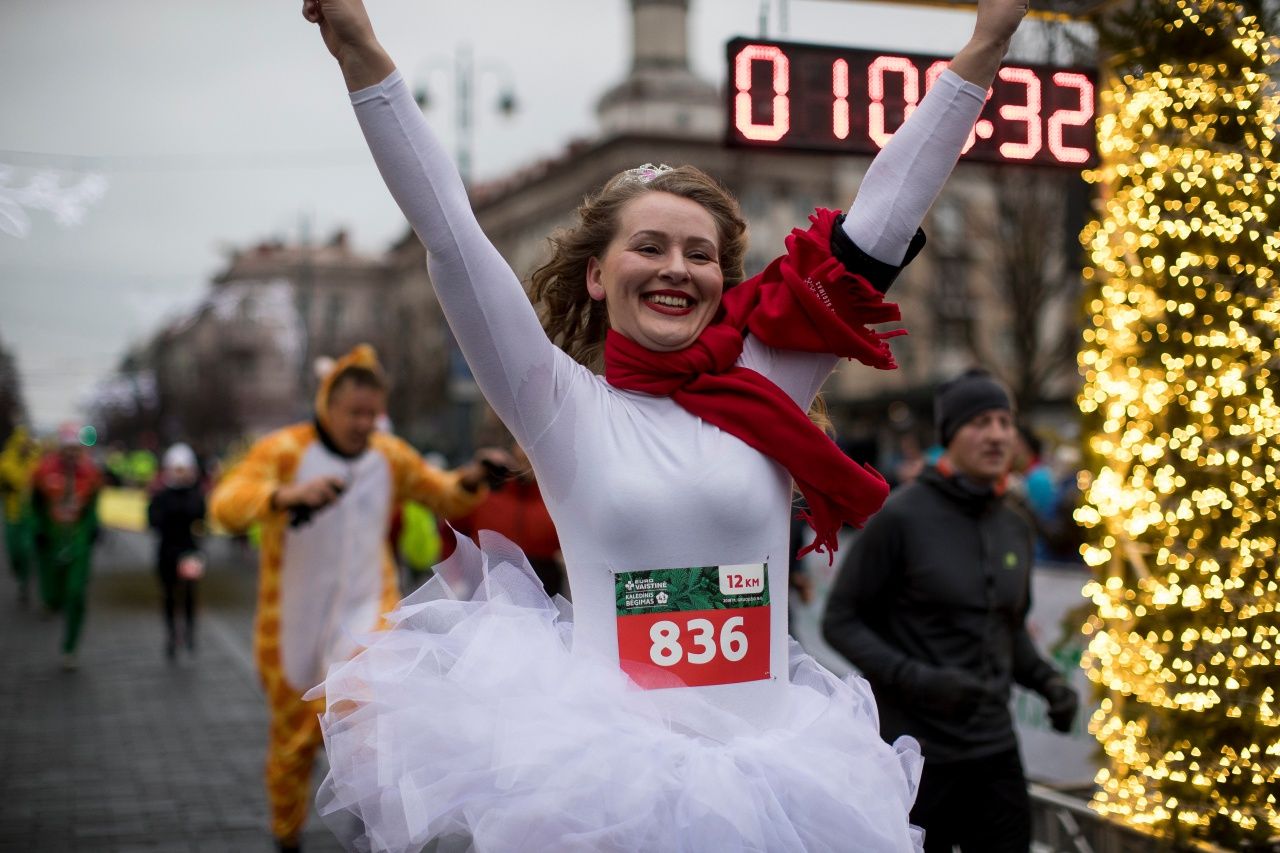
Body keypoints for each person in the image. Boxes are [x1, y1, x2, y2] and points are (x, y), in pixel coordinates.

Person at [300, 0, 1029, 849]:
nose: (676, 269)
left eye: (700, 253)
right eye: (649, 247)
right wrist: (359, 49)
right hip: (606, 795)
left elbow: (882, 217)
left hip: (775, 784)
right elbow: (450, 235)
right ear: (599, 276)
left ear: (724, 276)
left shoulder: (771, 380)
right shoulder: (557, 403)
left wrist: (985, 48)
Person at [207, 344, 498, 853]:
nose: (363, 423)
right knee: (294, 745)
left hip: (367, 620)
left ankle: (371, 837)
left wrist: (473, 477)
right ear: (328, 405)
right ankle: (286, 836)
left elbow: (443, 493)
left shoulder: (390, 456)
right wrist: (282, 496)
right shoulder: (283, 451)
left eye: (371, 413)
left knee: (368, 737)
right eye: (354, 413)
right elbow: (226, 506)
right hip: (293, 625)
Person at [822, 369, 1080, 852]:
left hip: (994, 747)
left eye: (1005, 421)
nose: (997, 434)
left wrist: (1048, 682)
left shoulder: (1016, 525)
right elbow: (841, 620)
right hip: (917, 752)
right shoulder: (902, 516)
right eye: (981, 421)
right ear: (950, 434)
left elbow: (1009, 630)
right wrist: (917, 679)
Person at [30, 423, 103, 670]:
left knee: (76, 593)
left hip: (78, 540)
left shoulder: (90, 473)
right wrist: (37, 529)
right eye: (67, 449)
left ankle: (70, 647)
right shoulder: (44, 471)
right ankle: (51, 601)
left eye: (76, 449)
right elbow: (35, 505)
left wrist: (94, 526)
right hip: (53, 538)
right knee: (54, 592)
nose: (72, 454)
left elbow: (94, 505)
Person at [147, 443, 207, 659]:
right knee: (169, 596)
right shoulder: (161, 496)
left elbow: (202, 518)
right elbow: (152, 521)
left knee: (190, 594)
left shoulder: (196, 495)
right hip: (167, 552)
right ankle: (172, 634)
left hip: (190, 551)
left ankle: (190, 634)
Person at [0, 427, 41, 606]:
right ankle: (18, 571)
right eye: (21, 444)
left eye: (27, 444)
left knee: (26, 549)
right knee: (14, 551)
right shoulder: (5, 462)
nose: (25, 447)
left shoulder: (36, 463)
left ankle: (24, 585)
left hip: (29, 515)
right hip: (12, 514)